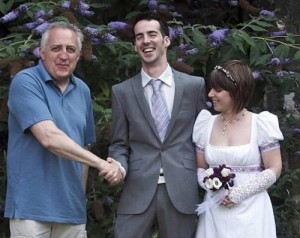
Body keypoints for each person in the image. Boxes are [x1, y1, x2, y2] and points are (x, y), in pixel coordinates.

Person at [4, 21, 122, 237]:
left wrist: (79, 202)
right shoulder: (26, 82)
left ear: (78, 55)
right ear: (42, 52)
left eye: (70, 49)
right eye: (56, 48)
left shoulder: (83, 91)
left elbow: (82, 149)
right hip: (31, 210)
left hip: (71, 214)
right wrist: (101, 163)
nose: (64, 55)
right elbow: (49, 137)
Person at [105, 12, 207, 238]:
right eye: (139, 37)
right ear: (135, 46)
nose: (146, 41)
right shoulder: (122, 92)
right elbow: (119, 143)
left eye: (152, 34)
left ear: (166, 40)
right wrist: (119, 167)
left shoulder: (194, 86)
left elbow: (205, 137)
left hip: (182, 188)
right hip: (138, 188)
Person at [192, 60, 283, 238]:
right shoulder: (205, 124)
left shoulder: (261, 123)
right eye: (211, 88)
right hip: (214, 211)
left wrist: (239, 194)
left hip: (251, 210)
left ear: (236, 91)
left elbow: (275, 167)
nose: (210, 94)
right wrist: (211, 185)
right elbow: (201, 167)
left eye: (217, 90)